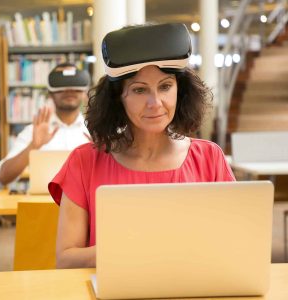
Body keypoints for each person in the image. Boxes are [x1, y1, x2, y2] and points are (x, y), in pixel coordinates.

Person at [48, 23, 235, 269]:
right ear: (118, 99)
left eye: (166, 86)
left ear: (181, 91)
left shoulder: (209, 157)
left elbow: (233, 246)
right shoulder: (84, 161)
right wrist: (139, 248)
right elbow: (66, 259)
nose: (155, 103)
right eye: (139, 90)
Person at [0, 63, 91, 185]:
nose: (69, 89)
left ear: (85, 92)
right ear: (50, 93)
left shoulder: (97, 132)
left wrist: (104, 154)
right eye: (61, 84)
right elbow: (3, 177)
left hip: (87, 203)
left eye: (75, 83)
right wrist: (33, 147)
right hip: (43, 203)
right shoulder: (34, 132)